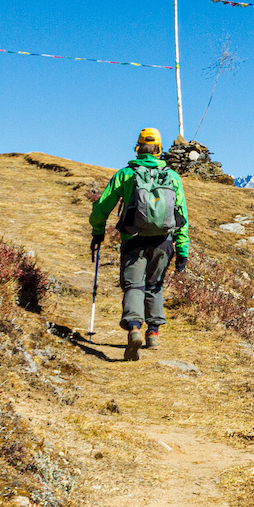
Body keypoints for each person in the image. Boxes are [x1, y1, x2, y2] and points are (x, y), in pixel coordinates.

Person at [88, 127, 190, 360]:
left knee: (134, 285)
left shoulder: (126, 174)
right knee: (154, 285)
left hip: (133, 240)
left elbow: (102, 206)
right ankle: (152, 334)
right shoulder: (172, 177)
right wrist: (182, 248)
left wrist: (98, 232)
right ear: (159, 149)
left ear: (137, 147)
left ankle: (134, 327)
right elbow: (181, 214)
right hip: (163, 242)